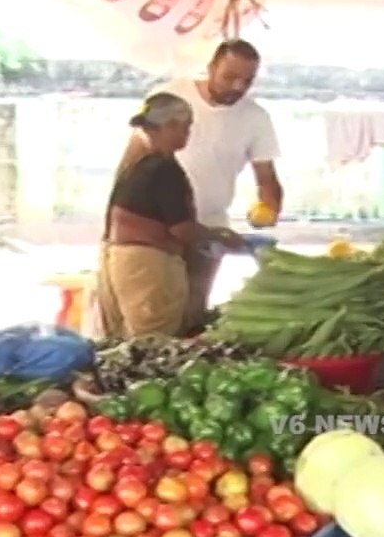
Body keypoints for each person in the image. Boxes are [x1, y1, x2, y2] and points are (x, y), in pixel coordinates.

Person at [115, 39, 284, 333]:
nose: (237, 86)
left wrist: (269, 208)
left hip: (208, 228)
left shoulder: (256, 117)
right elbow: (132, 159)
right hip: (158, 233)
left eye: (247, 80)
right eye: (230, 76)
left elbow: (267, 179)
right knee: (153, 317)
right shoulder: (172, 96)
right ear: (211, 67)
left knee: (193, 310)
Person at [98, 93, 245, 338]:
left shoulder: (139, 164)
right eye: (184, 126)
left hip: (122, 261)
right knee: (155, 339)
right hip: (148, 264)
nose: (187, 133)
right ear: (168, 126)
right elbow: (181, 229)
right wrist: (219, 236)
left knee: (129, 338)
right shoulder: (162, 169)